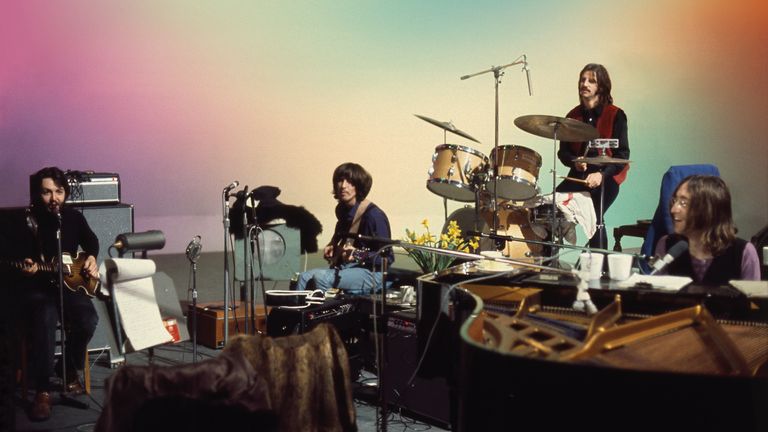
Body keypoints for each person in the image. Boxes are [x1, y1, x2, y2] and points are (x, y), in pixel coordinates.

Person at [11, 167, 100, 421]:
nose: (54, 199)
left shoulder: (72, 217)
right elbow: (19, 257)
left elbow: (91, 242)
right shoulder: (28, 221)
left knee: (88, 320)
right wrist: (27, 267)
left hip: (69, 285)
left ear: (66, 192)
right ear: (38, 194)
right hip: (39, 286)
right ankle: (42, 390)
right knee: (45, 319)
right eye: (47, 192)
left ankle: (67, 367)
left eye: (59, 192)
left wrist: (92, 258)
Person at [556, 63, 630, 249]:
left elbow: (622, 155)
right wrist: (575, 161)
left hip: (607, 176)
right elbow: (563, 153)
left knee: (595, 213)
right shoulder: (572, 116)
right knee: (551, 206)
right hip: (578, 175)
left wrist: (601, 175)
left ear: (601, 87)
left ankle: (601, 268)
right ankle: (550, 259)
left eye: (591, 81)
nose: (585, 84)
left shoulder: (616, 115)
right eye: (582, 80)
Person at [295, 163, 393, 295]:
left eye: (350, 182)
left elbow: (387, 259)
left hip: (373, 273)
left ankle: (324, 314)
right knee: (302, 277)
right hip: (348, 268)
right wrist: (333, 245)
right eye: (340, 180)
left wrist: (358, 254)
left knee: (321, 277)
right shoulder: (342, 210)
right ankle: (296, 313)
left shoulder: (374, 216)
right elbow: (342, 235)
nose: (343, 186)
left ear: (358, 186)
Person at [654, 175, 760, 284]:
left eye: (683, 203)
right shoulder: (666, 245)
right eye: (675, 201)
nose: (673, 209)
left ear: (709, 209)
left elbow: (753, 300)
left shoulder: (743, 252)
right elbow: (654, 296)